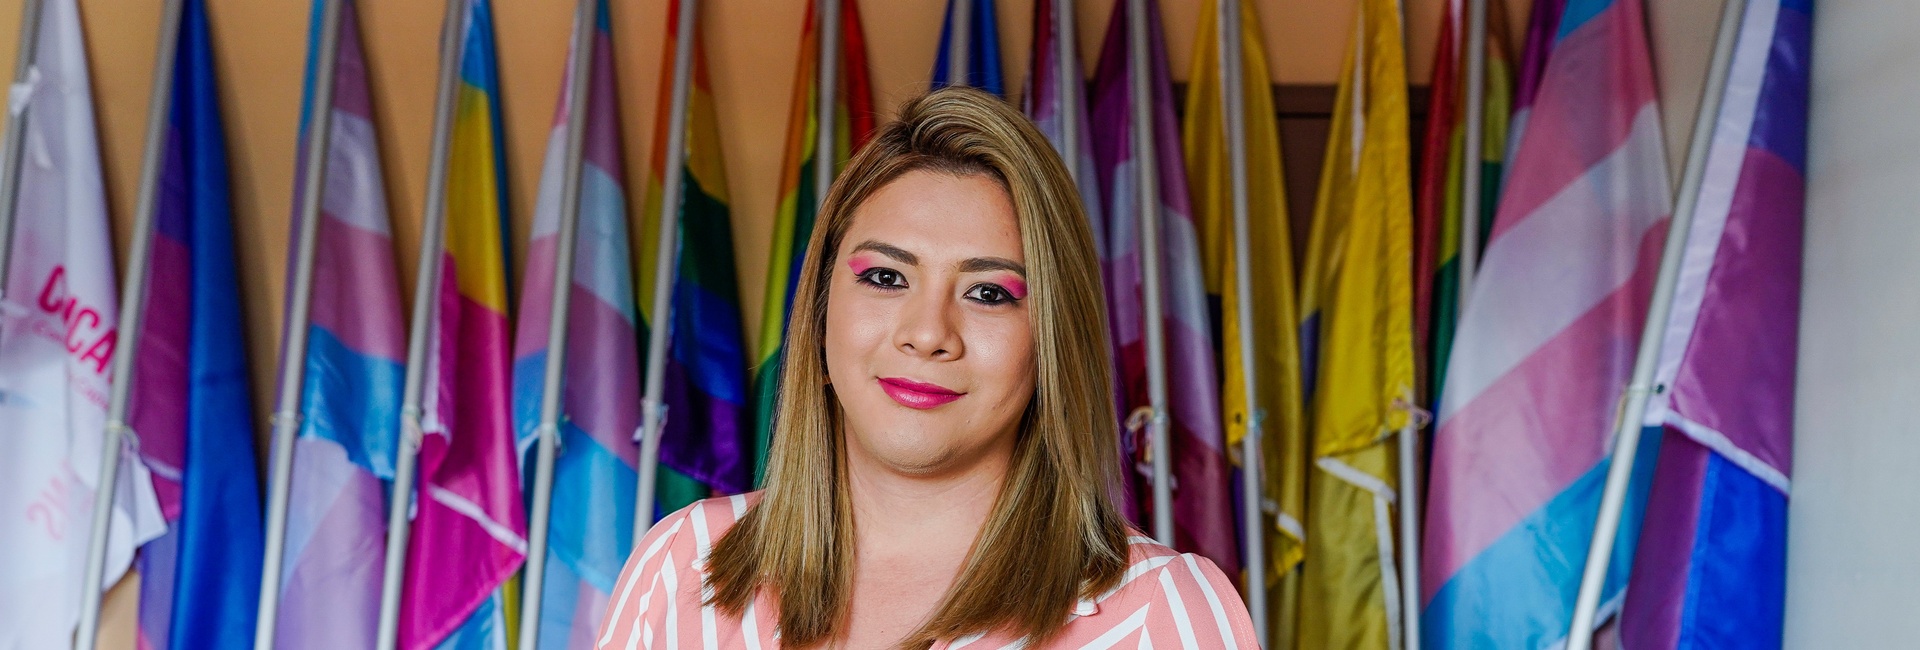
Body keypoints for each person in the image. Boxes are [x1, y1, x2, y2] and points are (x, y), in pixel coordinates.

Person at [595, 87, 1257, 649]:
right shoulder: (681, 560)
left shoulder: (1163, 612)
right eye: (886, 277)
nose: (928, 334)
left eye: (989, 293)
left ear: (1052, 342)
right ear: (821, 312)